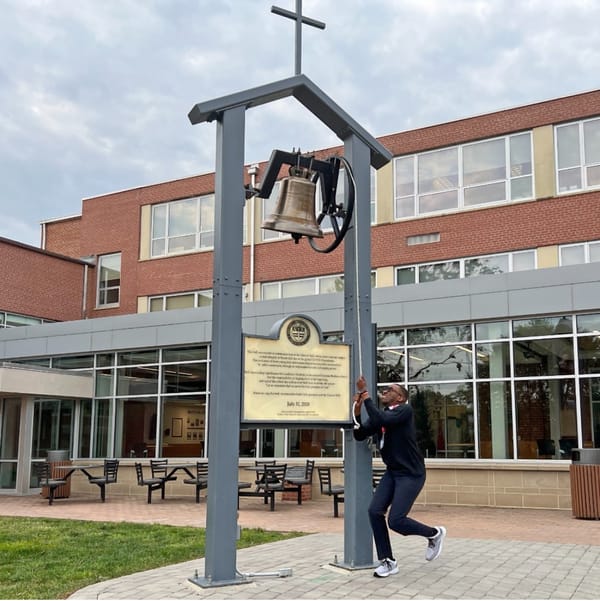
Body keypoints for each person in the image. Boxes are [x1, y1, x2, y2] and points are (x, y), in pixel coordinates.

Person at [352, 375, 446, 578]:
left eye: (390, 390)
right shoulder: (382, 415)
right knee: (374, 511)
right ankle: (387, 561)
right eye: (384, 389)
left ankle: (434, 534)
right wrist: (358, 413)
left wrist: (365, 394)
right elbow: (359, 434)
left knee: (396, 520)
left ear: (400, 397)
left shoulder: (404, 411)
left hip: (411, 474)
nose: (385, 391)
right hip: (393, 472)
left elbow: (382, 419)